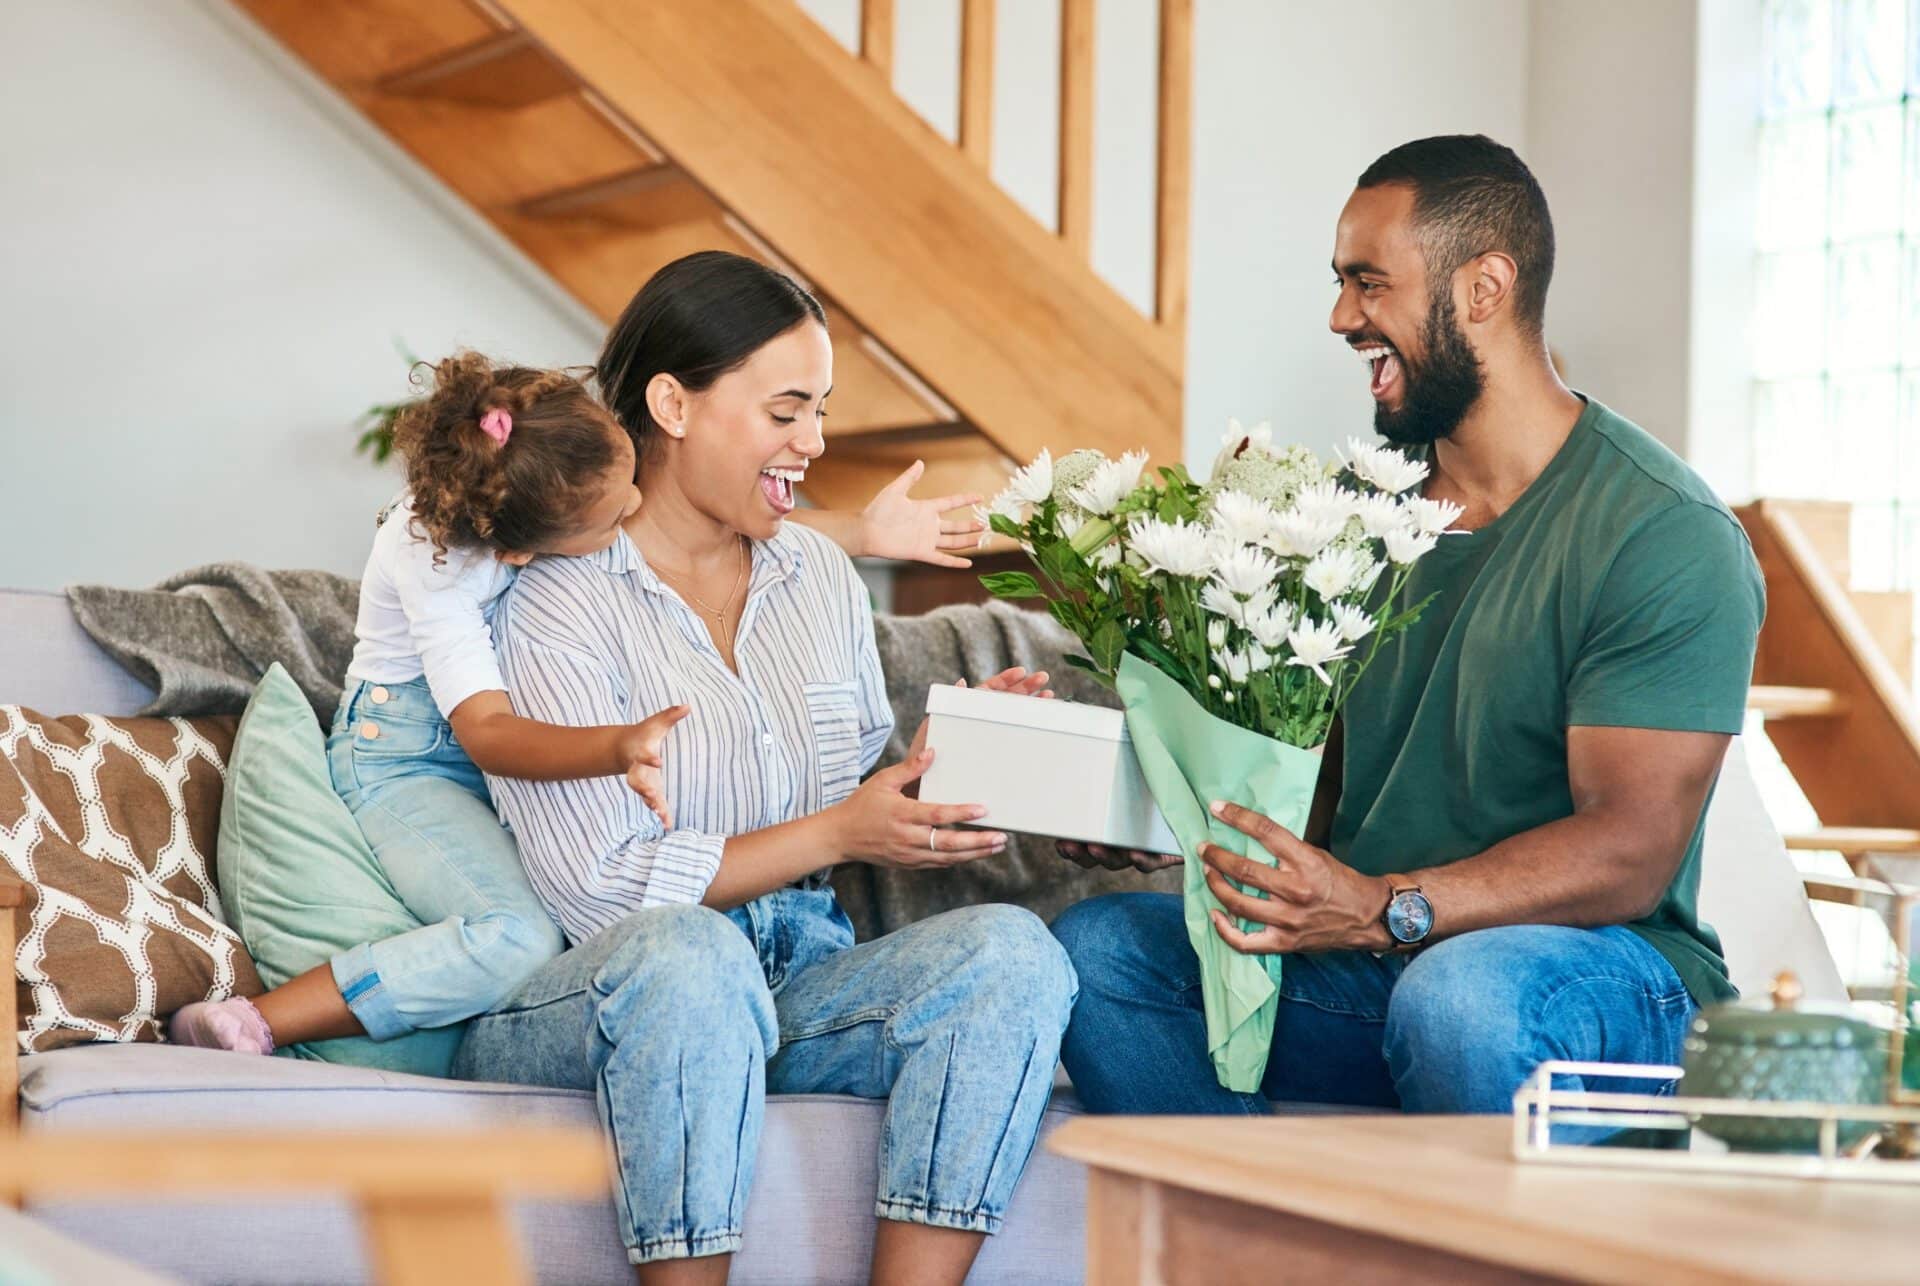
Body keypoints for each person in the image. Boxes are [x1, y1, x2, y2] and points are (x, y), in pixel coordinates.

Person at [1052, 134, 1765, 1116]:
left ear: (1484, 287)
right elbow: (1321, 789)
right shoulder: (1347, 521)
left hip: (1605, 972)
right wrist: (1160, 811)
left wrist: (1386, 908)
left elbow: (1629, 848)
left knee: (1460, 999)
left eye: (1368, 282)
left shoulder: (1661, 529)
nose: (1342, 317)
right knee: (1100, 955)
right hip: (1382, 950)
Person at [452, 250, 1078, 1284]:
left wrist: (939, 766)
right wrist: (838, 833)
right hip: (598, 991)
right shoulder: (558, 595)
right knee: (686, 957)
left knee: (1010, 956)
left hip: (798, 974)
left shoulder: (819, 575)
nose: (816, 442)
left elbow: (844, 793)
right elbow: (606, 890)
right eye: (788, 410)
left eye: (821, 411)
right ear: (673, 403)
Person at [170, 351, 989, 1059]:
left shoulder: (531, 469)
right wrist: (612, 747)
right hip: (411, 758)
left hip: (486, 744)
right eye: (612, 520)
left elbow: (731, 520)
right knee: (517, 936)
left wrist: (867, 532)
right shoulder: (440, 568)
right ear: (522, 552)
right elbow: (488, 735)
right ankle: (256, 1021)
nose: (638, 515)